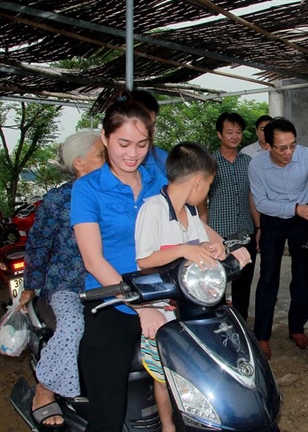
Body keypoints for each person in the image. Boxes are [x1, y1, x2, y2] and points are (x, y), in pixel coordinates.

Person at [135, 141, 250, 432]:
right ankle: (167, 427)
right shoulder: (154, 209)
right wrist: (184, 249)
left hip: (192, 304)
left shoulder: (192, 213)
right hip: (161, 307)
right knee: (166, 374)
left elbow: (199, 247)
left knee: (193, 370)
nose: (207, 192)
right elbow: (144, 258)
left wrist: (213, 251)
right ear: (198, 181)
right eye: (209, 185)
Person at [71, 97, 168, 431]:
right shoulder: (88, 189)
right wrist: (140, 306)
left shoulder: (159, 183)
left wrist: (218, 246)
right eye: (123, 143)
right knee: (108, 412)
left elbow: (188, 222)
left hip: (161, 297)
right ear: (105, 137)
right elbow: (93, 259)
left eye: (142, 144)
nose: (133, 153)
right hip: (110, 302)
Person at [18, 130, 105, 428]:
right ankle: (46, 390)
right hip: (67, 283)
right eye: (101, 156)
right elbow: (39, 245)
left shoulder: (115, 192)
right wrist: (30, 286)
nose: (109, 161)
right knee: (72, 325)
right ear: (79, 163)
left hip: (107, 280)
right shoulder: (57, 200)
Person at [248, 117, 308, 359]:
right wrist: (294, 208)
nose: (289, 152)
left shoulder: (305, 154)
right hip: (273, 220)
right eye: (282, 148)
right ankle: (262, 335)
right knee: (268, 277)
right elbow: (261, 203)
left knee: (302, 275)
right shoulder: (257, 166)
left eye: (292, 145)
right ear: (268, 145)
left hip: (301, 219)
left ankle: (297, 328)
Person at [202, 112, 260, 321]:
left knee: (243, 284)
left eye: (238, 132)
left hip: (245, 233)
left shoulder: (248, 162)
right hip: (218, 234)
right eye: (229, 132)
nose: (235, 136)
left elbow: (251, 195)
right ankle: (215, 324)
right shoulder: (209, 162)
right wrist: (204, 232)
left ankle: (241, 324)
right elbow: (201, 202)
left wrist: (258, 228)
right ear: (219, 134)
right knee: (216, 283)